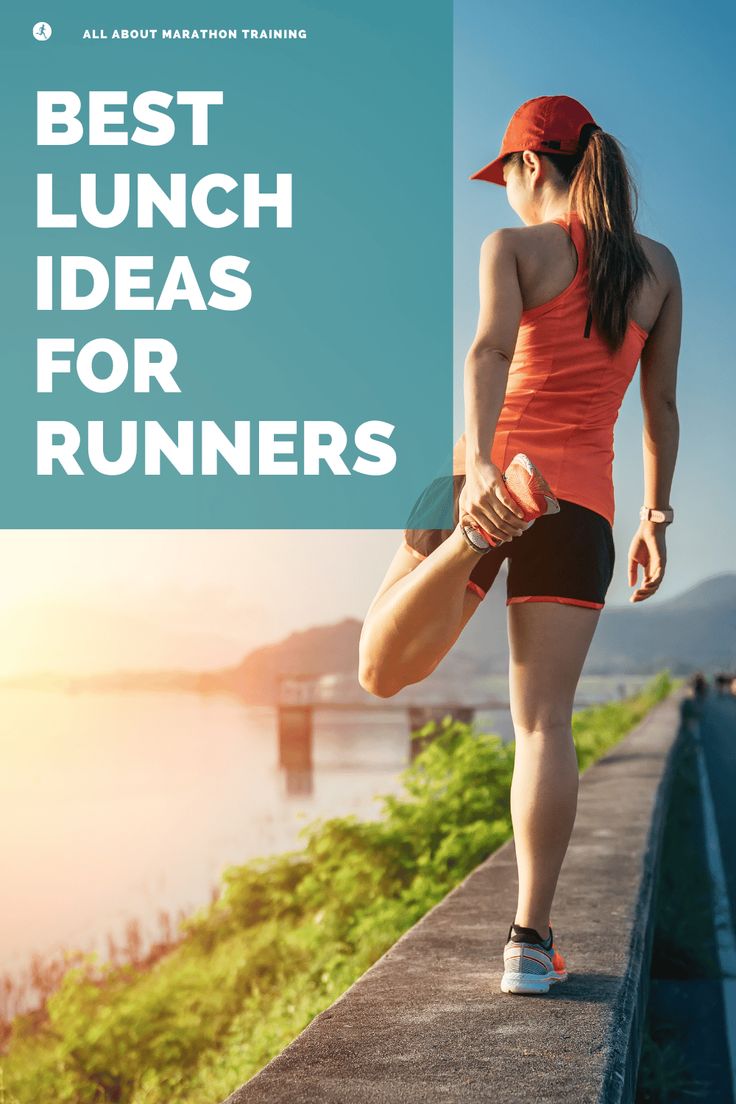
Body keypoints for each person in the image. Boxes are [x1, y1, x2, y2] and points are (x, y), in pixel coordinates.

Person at [358, 95, 681, 995]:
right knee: (543, 724)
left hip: (492, 473)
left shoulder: (513, 250)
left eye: (503, 174)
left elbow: (488, 354)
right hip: (583, 510)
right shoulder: (658, 269)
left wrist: (486, 470)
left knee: (380, 670)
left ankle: (473, 533)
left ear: (531, 166)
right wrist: (656, 518)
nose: (501, 191)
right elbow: (659, 410)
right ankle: (530, 946)